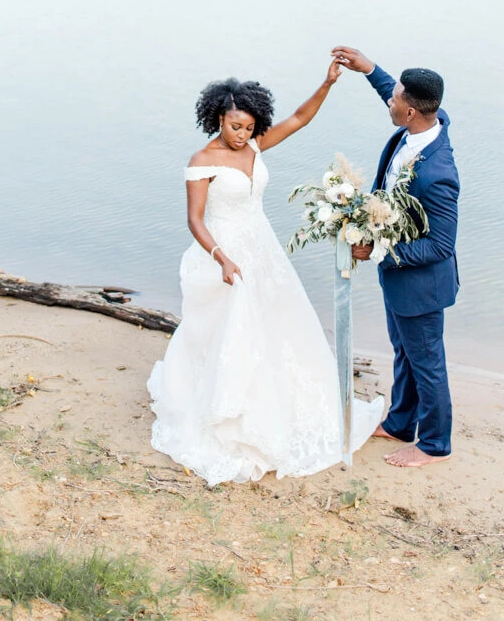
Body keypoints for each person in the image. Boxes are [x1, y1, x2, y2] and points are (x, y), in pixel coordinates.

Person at [147, 62, 383, 486]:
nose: (241, 135)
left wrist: (327, 83)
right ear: (218, 116)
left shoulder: (254, 148)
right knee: (232, 331)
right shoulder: (203, 161)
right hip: (224, 254)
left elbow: (298, 118)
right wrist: (221, 257)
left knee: (278, 326)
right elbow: (195, 220)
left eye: (249, 127)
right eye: (235, 126)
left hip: (263, 249)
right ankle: (227, 413)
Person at [332, 46, 460, 468]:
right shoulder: (427, 120)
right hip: (400, 280)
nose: (391, 98)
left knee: (428, 364)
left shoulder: (439, 174)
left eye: (397, 98)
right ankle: (402, 422)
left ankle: (435, 444)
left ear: (410, 113)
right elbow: (393, 90)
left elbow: (441, 245)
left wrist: (379, 249)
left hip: (422, 285)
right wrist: (369, 69)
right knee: (404, 352)